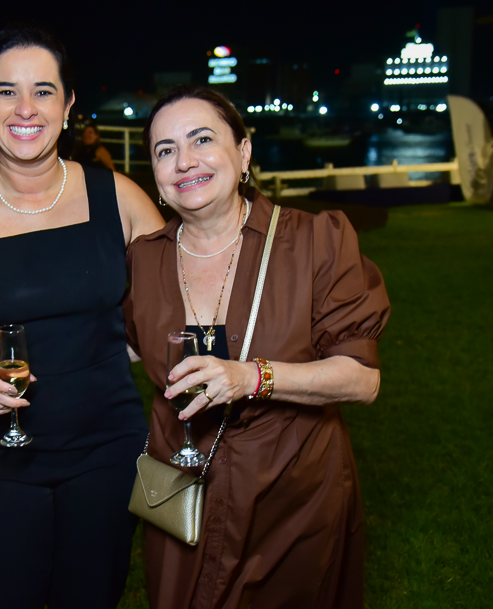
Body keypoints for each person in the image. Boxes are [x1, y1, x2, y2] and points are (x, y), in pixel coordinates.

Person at [0, 27, 164, 609]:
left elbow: (174, 304)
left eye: (43, 91)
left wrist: (123, 347)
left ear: (68, 104)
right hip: (0, 452)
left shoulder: (120, 197)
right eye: (7, 91)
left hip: (109, 446)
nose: (25, 109)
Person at [124, 85, 390, 608]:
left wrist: (253, 377)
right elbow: (129, 348)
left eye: (202, 139)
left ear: (243, 153)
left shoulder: (315, 241)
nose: (185, 161)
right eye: (165, 150)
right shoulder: (142, 260)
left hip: (290, 498)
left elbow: (363, 379)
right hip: (179, 490)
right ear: (154, 174)